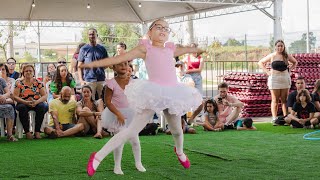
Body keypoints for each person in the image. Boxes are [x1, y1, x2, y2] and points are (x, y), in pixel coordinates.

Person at [81, 19, 204, 176]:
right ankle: (97, 157)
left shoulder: (170, 49)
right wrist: (91, 64)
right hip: (152, 93)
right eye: (158, 27)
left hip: (172, 93)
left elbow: (188, 49)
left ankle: (179, 151)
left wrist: (198, 48)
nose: (163, 30)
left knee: (178, 131)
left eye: (166, 28)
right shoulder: (146, 49)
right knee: (131, 130)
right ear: (150, 32)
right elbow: (117, 59)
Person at [99, 61, 145, 174]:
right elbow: (108, 102)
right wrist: (119, 114)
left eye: (126, 64)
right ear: (114, 68)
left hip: (132, 115)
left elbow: (138, 97)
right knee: (119, 141)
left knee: (135, 140)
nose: (124, 67)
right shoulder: (111, 83)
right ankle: (117, 166)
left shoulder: (134, 82)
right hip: (116, 115)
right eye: (120, 65)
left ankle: (138, 163)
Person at [258, 40, 297, 123]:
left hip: (285, 79)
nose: (280, 47)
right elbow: (260, 62)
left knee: (284, 100)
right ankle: (274, 118)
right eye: (278, 46)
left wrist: (290, 70)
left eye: (281, 46)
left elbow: (295, 62)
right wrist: (267, 72)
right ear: (275, 47)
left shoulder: (286, 56)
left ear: (284, 47)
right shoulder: (272, 56)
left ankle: (286, 118)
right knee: (275, 99)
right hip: (274, 79)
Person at [13, 64, 48, 139]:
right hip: (23, 102)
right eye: (26, 71)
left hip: (36, 102)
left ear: (33, 72)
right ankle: (27, 132)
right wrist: (25, 102)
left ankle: (37, 131)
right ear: (23, 72)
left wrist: (36, 102)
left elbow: (44, 96)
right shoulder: (19, 83)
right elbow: (15, 96)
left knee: (42, 106)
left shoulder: (38, 82)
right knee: (22, 108)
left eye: (30, 71)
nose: (28, 72)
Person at [78, 28, 108, 100]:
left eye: (93, 34)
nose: (92, 36)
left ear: (96, 35)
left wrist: (99, 68)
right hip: (89, 80)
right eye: (90, 34)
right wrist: (81, 80)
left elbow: (107, 63)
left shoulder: (102, 49)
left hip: (101, 79)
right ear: (88, 36)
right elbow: (79, 66)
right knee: (90, 101)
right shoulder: (83, 49)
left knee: (103, 99)